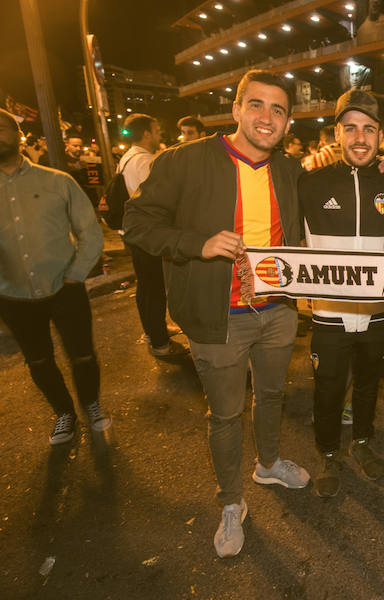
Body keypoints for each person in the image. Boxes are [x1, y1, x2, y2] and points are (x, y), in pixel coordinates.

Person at [124, 70, 309, 559]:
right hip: (217, 317)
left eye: (278, 110)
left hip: (278, 309)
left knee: (271, 396)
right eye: (257, 105)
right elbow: (136, 221)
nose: (266, 117)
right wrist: (195, 244)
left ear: (287, 122)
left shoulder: (289, 171)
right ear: (236, 109)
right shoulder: (183, 161)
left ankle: (268, 463)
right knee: (225, 414)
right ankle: (231, 501)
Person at [301, 90, 384, 497]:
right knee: (328, 387)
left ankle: (362, 443)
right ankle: (328, 452)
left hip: (378, 312)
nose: (360, 138)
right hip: (329, 313)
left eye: (369, 128)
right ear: (337, 133)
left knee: (369, 383)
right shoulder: (309, 182)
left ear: (381, 135)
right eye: (350, 128)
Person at [0, 108, 109, 445]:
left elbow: (90, 231)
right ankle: (63, 412)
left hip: (66, 287)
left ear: (17, 134)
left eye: (1, 127)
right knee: (38, 360)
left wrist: (76, 274)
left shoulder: (56, 181)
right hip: (13, 294)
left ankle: (91, 404)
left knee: (83, 355)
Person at [119, 113, 189, 359]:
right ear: (147, 133)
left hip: (137, 233)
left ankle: (154, 330)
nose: (159, 135)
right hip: (148, 234)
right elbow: (160, 198)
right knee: (154, 289)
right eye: (157, 130)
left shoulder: (128, 158)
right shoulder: (143, 161)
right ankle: (159, 342)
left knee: (147, 287)